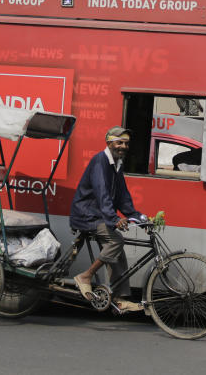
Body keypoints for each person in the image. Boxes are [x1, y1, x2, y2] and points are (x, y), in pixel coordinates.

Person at [70, 126, 146, 313]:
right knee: (116, 239)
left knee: (118, 251)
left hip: (99, 216)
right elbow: (102, 192)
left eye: (126, 143)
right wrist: (113, 219)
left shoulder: (117, 164)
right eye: (119, 142)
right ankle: (86, 276)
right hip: (87, 215)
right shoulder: (100, 161)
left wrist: (137, 216)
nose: (123, 146)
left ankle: (119, 299)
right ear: (109, 143)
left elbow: (122, 196)